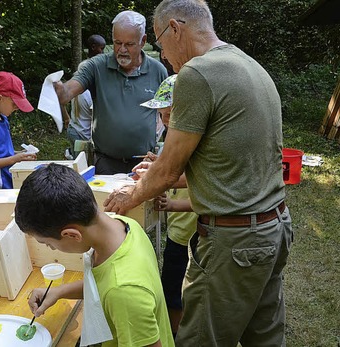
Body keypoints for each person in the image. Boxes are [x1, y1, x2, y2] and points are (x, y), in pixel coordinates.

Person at [105, 1, 292, 345]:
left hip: (234, 243)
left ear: (175, 29)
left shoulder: (196, 74)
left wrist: (127, 196)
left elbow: (170, 165)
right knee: (264, 339)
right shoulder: (246, 63)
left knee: (199, 340)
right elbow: (228, 166)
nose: (163, 57)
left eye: (160, 44)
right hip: (274, 228)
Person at [15, 164, 174, 347]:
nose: (51, 248)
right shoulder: (124, 226)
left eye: (48, 244)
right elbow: (103, 285)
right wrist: (59, 292)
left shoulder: (125, 291)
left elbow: (116, 288)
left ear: (72, 235)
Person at [54, 10, 168, 174]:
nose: (122, 50)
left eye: (129, 44)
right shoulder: (96, 66)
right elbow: (68, 92)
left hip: (144, 162)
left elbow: (170, 117)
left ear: (143, 41)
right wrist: (59, 90)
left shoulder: (157, 71)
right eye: (117, 43)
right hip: (106, 163)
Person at [140, 74, 196, 337]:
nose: (165, 120)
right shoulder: (174, 132)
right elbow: (172, 168)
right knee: (171, 287)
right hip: (178, 230)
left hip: (192, 231)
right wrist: (157, 162)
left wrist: (171, 202)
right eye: (162, 115)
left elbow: (198, 182)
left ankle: (177, 336)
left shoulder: (196, 137)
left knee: (178, 291)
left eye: (169, 114)